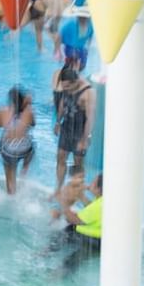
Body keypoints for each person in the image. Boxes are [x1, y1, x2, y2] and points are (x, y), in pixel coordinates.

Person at [54, 66, 95, 194]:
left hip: (80, 132)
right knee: (60, 158)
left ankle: (78, 192)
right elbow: (62, 103)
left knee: (78, 164)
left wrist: (85, 138)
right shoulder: (66, 85)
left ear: (75, 82)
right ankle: (59, 189)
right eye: (63, 86)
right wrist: (58, 121)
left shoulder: (88, 92)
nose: (65, 89)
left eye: (67, 87)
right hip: (66, 127)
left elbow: (90, 118)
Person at [57, 174, 103, 271]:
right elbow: (91, 208)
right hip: (97, 239)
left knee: (70, 261)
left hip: (91, 241)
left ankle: (54, 276)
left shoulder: (99, 206)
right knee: (68, 231)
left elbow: (73, 219)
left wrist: (64, 203)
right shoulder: (103, 200)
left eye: (93, 183)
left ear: (99, 190)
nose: (89, 184)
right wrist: (81, 196)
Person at [0, 86, 35, 195]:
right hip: (26, 151)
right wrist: (28, 106)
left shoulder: (2, 112)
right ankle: (24, 170)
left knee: (10, 173)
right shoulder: (29, 113)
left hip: (9, 152)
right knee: (32, 144)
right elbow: (33, 124)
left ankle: (11, 191)